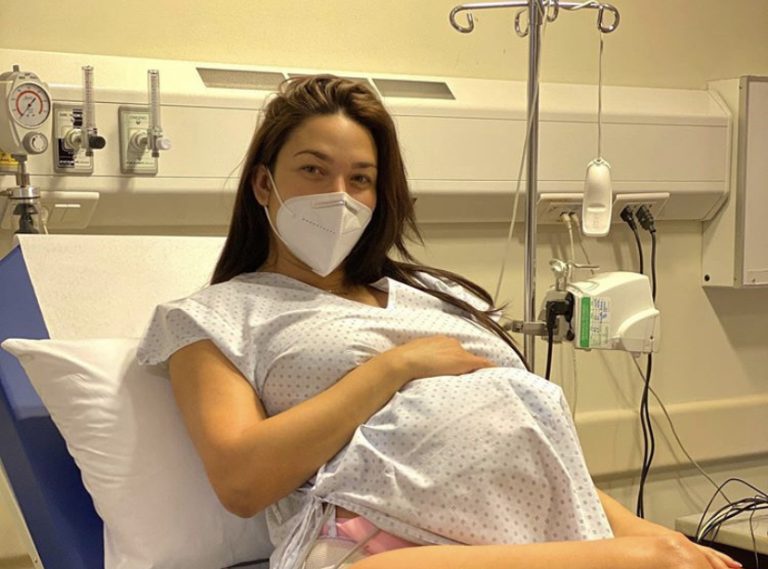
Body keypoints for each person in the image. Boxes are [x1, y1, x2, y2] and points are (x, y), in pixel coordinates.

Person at [138, 75, 740, 569]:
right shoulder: (214, 317)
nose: (339, 195)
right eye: (314, 170)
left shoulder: (437, 295)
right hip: (368, 549)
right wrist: (395, 367)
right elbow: (241, 481)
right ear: (263, 183)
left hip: (526, 537)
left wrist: (649, 536)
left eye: (360, 179)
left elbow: (534, 455)